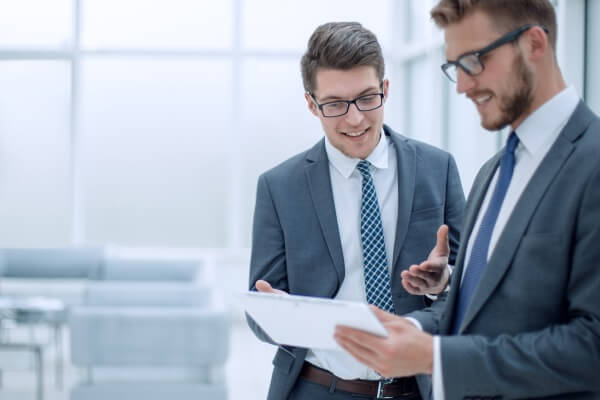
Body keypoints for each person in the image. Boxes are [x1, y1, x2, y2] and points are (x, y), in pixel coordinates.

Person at [334, 1, 600, 399]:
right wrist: (431, 311)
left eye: (474, 61)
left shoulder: (592, 162)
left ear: (534, 44)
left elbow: (591, 347)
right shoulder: (492, 173)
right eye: (454, 67)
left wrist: (435, 357)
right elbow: (498, 310)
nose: (461, 85)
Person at [246, 21, 466, 400]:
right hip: (317, 389)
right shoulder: (279, 187)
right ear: (312, 105)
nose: (355, 119)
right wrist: (282, 318)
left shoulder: (437, 169)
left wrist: (438, 289)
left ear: (385, 89)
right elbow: (259, 308)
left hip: (416, 389)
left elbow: (468, 292)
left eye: (367, 98)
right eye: (334, 104)